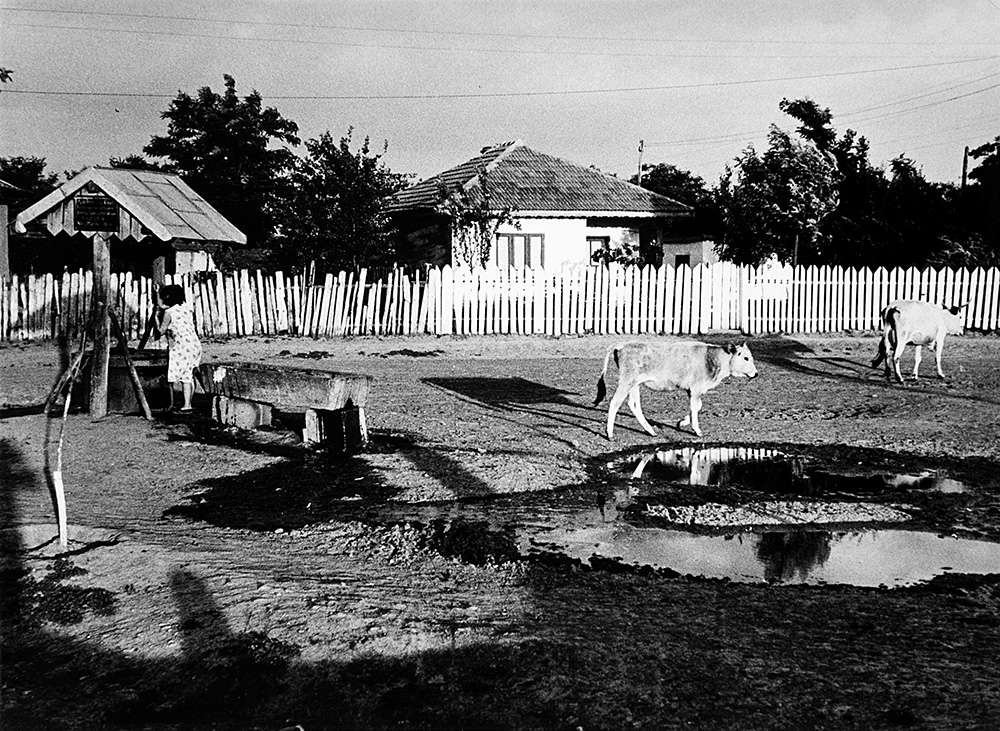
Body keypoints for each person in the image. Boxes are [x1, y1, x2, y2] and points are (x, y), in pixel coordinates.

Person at [156, 284, 202, 411]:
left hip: (183, 346)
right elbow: (162, 305)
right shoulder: (186, 308)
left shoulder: (169, 313)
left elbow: (161, 331)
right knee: (189, 375)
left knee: (185, 377)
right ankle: (189, 402)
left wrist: (156, 319)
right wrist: (157, 293)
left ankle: (187, 405)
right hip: (195, 344)